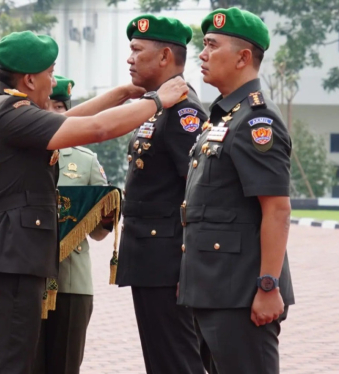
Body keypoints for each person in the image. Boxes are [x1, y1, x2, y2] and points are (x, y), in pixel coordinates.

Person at [0, 31, 188, 374]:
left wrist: (123, 94)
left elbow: (67, 121)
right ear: (30, 78)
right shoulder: (10, 112)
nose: (52, 84)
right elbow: (94, 129)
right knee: (7, 364)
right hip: (8, 263)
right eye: (50, 74)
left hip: (0, 260)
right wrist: (157, 102)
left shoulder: (1, 107)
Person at [177, 8, 295, 374]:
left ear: (244, 57)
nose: (202, 53)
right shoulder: (226, 116)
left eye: (212, 45)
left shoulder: (257, 120)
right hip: (213, 288)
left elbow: (276, 209)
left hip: (242, 292)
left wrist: (268, 285)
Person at [114, 15, 208, 374]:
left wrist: (191, 264)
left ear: (165, 56)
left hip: (169, 261)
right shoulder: (157, 106)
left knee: (178, 361)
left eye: (137, 50)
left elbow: (197, 192)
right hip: (150, 258)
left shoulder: (183, 110)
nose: (130, 58)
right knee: (162, 360)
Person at [33, 75, 112, 374]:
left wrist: (107, 215)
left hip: (70, 284)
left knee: (64, 365)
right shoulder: (17, 158)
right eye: (46, 107)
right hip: (25, 279)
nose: (54, 115)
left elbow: (98, 232)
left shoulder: (86, 160)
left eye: (59, 107)